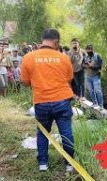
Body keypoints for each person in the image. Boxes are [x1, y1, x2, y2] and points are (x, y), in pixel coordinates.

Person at [21, 28, 75, 172]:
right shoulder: (64, 58)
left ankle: (43, 164)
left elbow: (25, 82)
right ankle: (69, 165)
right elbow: (69, 78)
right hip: (63, 101)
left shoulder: (28, 57)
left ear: (43, 40)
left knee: (43, 132)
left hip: (41, 102)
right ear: (56, 42)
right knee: (66, 132)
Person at [83, 44, 103, 110]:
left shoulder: (97, 56)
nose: (88, 51)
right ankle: (95, 103)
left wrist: (91, 66)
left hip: (96, 76)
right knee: (91, 91)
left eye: (89, 49)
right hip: (88, 76)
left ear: (92, 49)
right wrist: (85, 66)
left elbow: (100, 66)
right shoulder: (85, 57)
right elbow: (82, 65)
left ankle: (101, 105)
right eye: (87, 50)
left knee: (98, 91)